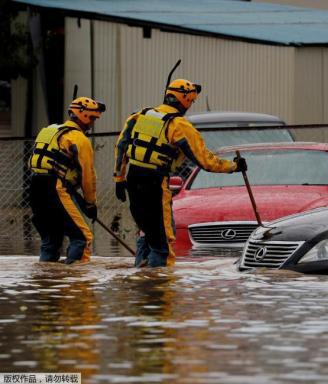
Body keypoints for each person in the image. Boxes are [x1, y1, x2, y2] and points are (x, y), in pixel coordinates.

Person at [114, 78, 247, 267]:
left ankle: (140, 278)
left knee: (147, 231)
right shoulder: (179, 125)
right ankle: (159, 290)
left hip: (133, 179)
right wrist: (234, 166)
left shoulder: (138, 116)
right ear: (184, 99)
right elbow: (205, 160)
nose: (190, 106)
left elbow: (121, 146)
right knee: (163, 243)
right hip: (155, 183)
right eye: (191, 101)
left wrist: (118, 179)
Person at [28, 97, 105, 264]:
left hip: (35, 188)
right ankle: (76, 286)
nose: (92, 124)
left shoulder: (48, 131)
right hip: (55, 188)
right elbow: (88, 175)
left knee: (51, 241)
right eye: (91, 118)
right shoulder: (79, 138)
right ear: (82, 115)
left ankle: (46, 282)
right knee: (82, 238)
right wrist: (90, 203)